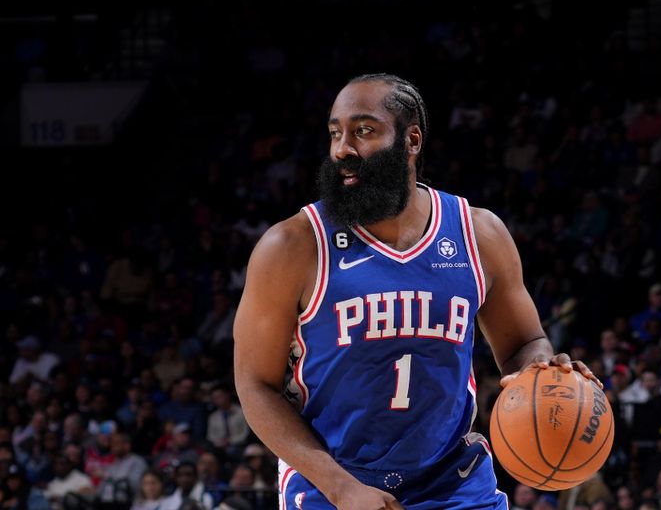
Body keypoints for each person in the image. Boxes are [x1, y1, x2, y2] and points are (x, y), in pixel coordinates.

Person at [233, 74, 600, 509]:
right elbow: (255, 385)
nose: (342, 149)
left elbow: (524, 343)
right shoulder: (292, 246)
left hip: (454, 482)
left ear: (411, 140)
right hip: (334, 483)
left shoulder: (477, 234)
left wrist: (540, 368)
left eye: (363, 131)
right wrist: (339, 486)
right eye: (335, 133)